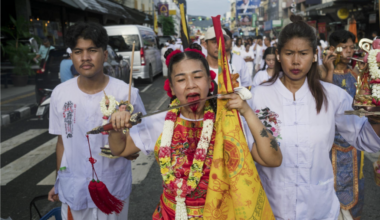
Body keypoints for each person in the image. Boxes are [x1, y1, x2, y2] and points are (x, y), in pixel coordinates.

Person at [107, 46, 282, 220]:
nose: (191, 84)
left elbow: (272, 159)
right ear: (173, 88)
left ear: (209, 81)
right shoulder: (158, 122)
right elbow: (120, 149)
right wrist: (116, 127)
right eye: (181, 79)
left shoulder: (228, 120)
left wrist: (246, 111)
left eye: (197, 77)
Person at [249, 15, 380, 220]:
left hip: (319, 208)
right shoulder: (257, 97)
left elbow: (365, 138)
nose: (295, 61)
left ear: (314, 55)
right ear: (278, 55)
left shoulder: (334, 96)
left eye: (303, 53)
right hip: (271, 207)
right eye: (289, 53)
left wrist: (376, 113)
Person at [47, 22, 147, 220]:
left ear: (105, 55)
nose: (85, 57)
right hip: (73, 189)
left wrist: (125, 146)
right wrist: (59, 181)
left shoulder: (126, 94)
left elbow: (141, 140)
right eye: (78, 51)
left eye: (92, 50)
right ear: (72, 56)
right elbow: (62, 143)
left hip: (112, 189)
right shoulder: (60, 93)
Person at [320, 30, 366, 220]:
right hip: (331, 144)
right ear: (332, 49)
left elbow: (364, 104)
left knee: (357, 189)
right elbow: (326, 101)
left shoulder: (356, 73)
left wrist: (366, 74)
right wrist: (329, 70)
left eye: (351, 47)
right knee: (329, 189)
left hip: (354, 142)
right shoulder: (321, 72)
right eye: (344, 47)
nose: (349, 51)